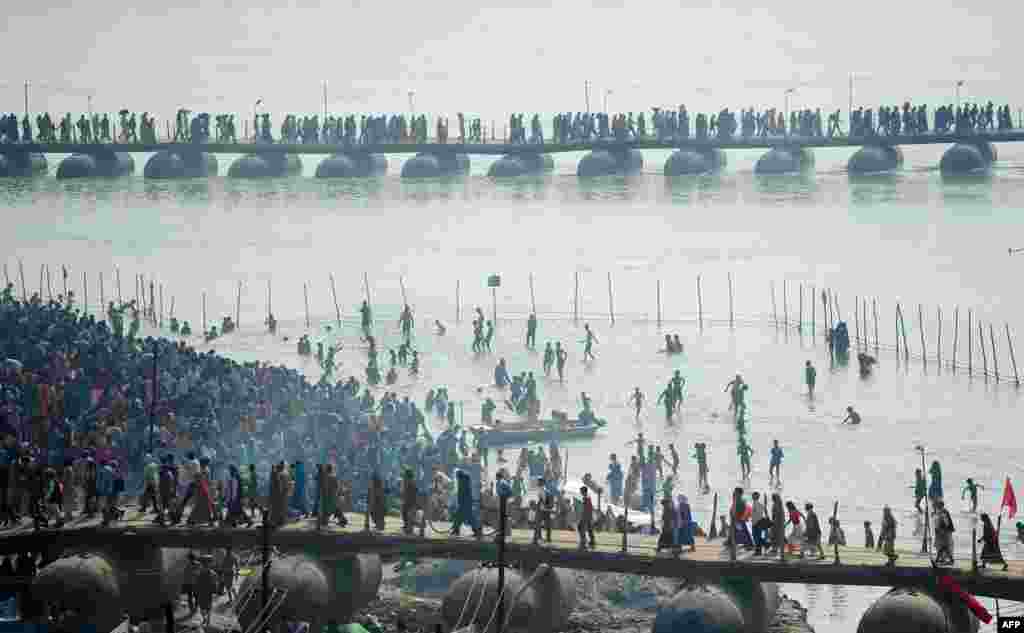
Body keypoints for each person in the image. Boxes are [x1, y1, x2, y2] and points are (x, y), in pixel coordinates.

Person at [933, 499, 955, 565]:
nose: (936, 506)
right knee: (943, 547)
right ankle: (945, 559)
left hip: (944, 532)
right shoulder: (941, 511)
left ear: (940, 505)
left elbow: (946, 523)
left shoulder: (943, 512)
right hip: (942, 532)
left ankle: (938, 560)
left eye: (937, 505)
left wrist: (943, 530)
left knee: (942, 546)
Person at [578, 486, 596, 550]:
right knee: (589, 529)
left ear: (583, 491)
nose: (580, 492)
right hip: (588, 516)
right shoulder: (587, 497)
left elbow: (588, 508)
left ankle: (584, 541)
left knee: (581, 528)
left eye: (581, 491)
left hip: (586, 517)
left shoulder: (586, 498)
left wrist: (585, 517)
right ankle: (591, 542)